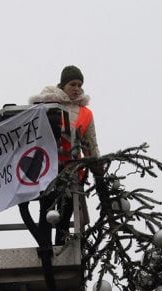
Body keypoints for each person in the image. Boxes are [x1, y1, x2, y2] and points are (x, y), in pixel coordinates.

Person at [29, 65, 101, 245]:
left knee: (67, 211)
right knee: (47, 208)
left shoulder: (86, 113)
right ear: (63, 85)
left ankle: (61, 246)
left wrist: (98, 166)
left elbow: (90, 142)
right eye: (72, 85)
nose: (76, 89)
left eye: (79, 85)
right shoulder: (46, 105)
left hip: (73, 170)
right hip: (48, 167)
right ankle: (44, 249)